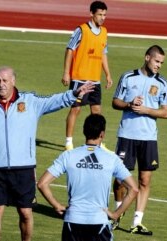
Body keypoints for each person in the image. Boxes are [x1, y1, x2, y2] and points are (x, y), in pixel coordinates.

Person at [0, 66, 95, 241]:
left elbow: (54, 101)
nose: (1, 84)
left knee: (25, 212)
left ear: (13, 81)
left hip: (24, 169)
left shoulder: (30, 101)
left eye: (5, 80)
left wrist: (74, 94)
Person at [37, 114, 138, 241]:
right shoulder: (112, 159)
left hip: (72, 221)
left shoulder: (68, 156)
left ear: (84, 131)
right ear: (102, 134)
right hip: (99, 222)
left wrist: (56, 205)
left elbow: (42, 183)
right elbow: (134, 189)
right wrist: (116, 214)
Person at [111, 45, 167, 235]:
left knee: (145, 180)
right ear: (147, 58)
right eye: (156, 61)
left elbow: (166, 112)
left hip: (148, 138)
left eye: (161, 63)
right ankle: (118, 212)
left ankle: (137, 222)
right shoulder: (128, 77)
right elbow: (115, 102)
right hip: (127, 135)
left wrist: (146, 110)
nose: (159, 66)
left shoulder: (163, 84)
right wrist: (129, 105)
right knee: (120, 179)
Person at [61, 1, 113, 150]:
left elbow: (103, 53)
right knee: (76, 109)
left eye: (104, 15)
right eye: (100, 15)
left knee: (96, 112)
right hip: (79, 78)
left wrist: (107, 74)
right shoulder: (81, 30)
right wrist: (66, 72)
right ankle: (68, 142)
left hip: (95, 80)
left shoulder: (104, 32)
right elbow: (70, 49)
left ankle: (98, 142)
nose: (102, 18)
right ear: (91, 14)